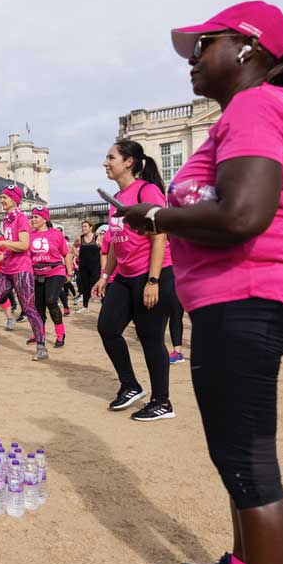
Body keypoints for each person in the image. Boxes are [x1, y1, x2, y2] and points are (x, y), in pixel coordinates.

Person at [119, 2, 283, 564]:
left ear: (247, 48)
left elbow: (243, 214)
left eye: (204, 44)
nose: (192, 59)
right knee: (235, 460)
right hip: (234, 298)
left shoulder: (257, 105)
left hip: (247, 295)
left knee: (251, 467)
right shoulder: (248, 110)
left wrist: (157, 215)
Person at [92, 139, 174, 421]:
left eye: (110, 157)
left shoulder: (146, 190)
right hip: (125, 277)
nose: (105, 163)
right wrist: (105, 276)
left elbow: (160, 235)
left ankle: (162, 402)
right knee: (107, 327)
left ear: (128, 162)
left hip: (153, 273)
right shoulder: (117, 199)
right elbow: (116, 241)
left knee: (150, 338)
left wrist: (153, 281)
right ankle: (130, 385)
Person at [0, 184, 48, 361]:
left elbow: (24, 245)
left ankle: (41, 346)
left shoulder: (21, 219)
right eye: (1, 197)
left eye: (5, 197)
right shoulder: (6, 220)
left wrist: (1, 243)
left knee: (29, 308)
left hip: (21, 270)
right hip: (6, 269)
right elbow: (10, 249)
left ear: (15, 200)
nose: (1, 200)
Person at [28, 207, 73, 347]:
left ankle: (60, 334)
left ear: (45, 219)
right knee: (38, 306)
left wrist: (69, 273)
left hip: (55, 271)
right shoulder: (29, 235)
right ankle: (39, 334)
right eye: (32, 217)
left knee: (51, 301)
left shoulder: (56, 234)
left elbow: (66, 254)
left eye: (36, 217)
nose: (33, 220)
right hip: (36, 273)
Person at [73, 221, 101, 313]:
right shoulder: (80, 238)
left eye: (85, 226)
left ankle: (103, 303)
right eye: (82, 226)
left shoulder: (97, 237)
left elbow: (103, 249)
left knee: (96, 283)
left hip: (95, 266)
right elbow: (73, 246)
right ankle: (85, 306)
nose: (83, 228)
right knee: (85, 286)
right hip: (83, 266)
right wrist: (78, 255)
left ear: (91, 227)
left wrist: (99, 256)